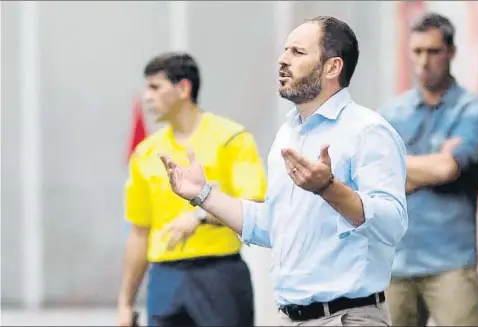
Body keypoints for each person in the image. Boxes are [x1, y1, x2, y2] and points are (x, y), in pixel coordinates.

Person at [159, 16, 408, 327]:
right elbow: (272, 226)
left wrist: (328, 188)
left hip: (347, 317)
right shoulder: (288, 134)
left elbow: (392, 224)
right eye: (285, 50)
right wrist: (203, 195)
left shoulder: (368, 131)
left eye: (297, 52)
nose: (282, 59)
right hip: (289, 317)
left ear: (332, 67)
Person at [117, 52, 267, 327]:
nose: (146, 96)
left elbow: (253, 202)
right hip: (164, 277)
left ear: (184, 88)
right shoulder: (145, 153)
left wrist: (200, 217)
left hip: (219, 273)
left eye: (155, 87)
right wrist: (126, 303)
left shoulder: (232, 139)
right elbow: (140, 231)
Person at [378, 13, 478, 326]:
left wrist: (404, 171)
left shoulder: (473, 111)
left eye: (433, 51)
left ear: (451, 52)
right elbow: (373, 177)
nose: (424, 61)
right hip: (395, 263)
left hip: (451, 263)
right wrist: (430, 167)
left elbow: (447, 169)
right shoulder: (392, 113)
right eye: (417, 52)